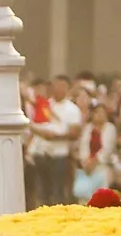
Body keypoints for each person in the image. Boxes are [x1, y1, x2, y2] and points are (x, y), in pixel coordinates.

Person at [28, 76, 83, 206]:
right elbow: (33, 124)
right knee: (41, 189)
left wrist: (56, 136)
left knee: (58, 189)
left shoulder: (72, 109)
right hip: (41, 152)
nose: (59, 89)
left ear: (68, 89)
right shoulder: (44, 104)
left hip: (59, 154)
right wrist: (42, 132)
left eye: (62, 86)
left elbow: (75, 132)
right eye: (56, 85)